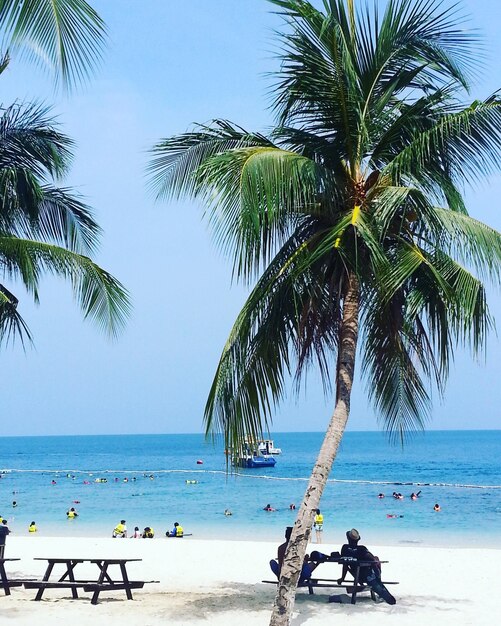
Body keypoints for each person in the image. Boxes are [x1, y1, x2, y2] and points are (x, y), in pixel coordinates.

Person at [334, 528, 396, 605]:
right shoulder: (361, 549)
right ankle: (381, 583)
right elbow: (372, 559)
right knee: (377, 581)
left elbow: (345, 565)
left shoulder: (345, 548)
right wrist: (377, 573)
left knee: (377, 585)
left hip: (357, 576)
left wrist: (342, 578)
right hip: (368, 575)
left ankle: (385, 593)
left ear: (348, 538)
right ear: (357, 540)